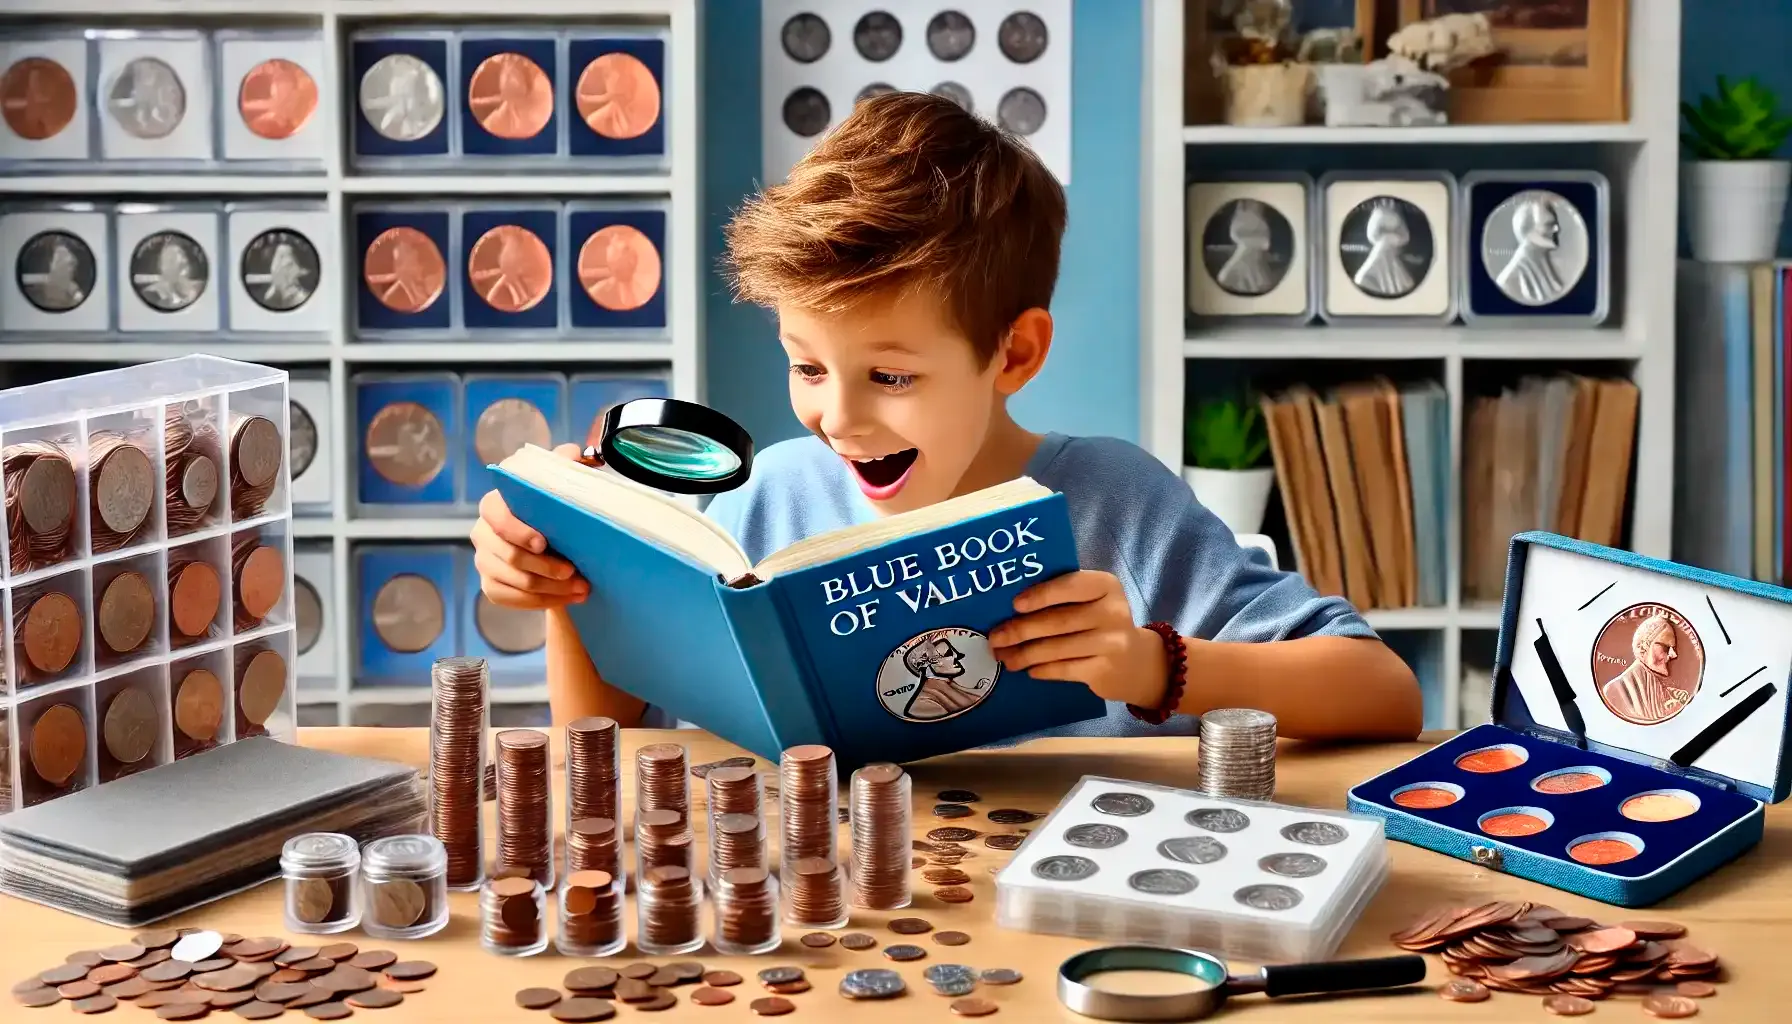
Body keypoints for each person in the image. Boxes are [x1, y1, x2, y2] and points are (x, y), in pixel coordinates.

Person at [470, 92, 1422, 743]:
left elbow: (1384, 692)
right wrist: (570, 576)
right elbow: (600, 743)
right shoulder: (759, 504)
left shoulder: (1115, 503)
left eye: (889, 377)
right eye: (805, 365)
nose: (835, 418)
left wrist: (1152, 665)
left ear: (1013, 354)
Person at [1599, 613, 1692, 726]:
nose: (1674, 654)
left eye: (1673, 648)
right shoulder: (1614, 691)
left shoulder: (1671, 695)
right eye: (1666, 647)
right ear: (1644, 646)